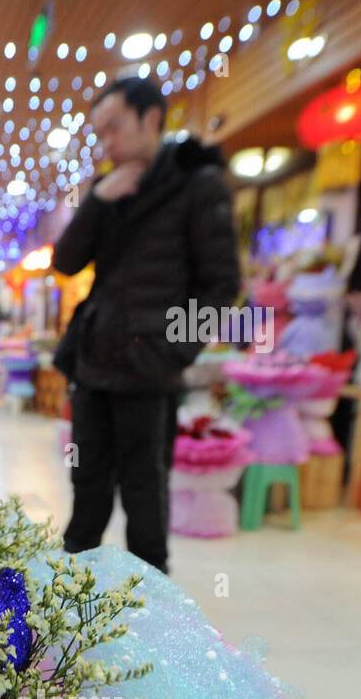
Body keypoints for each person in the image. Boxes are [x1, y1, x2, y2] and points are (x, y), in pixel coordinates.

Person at [52, 77, 240, 574]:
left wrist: (171, 352)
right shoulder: (108, 190)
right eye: (101, 133)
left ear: (151, 118)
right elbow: (66, 262)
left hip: (149, 372)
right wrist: (97, 201)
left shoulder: (197, 187)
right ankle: (69, 606)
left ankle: (153, 616)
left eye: (114, 128)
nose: (107, 142)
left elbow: (221, 286)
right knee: (86, 485)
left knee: (145, 493)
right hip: (94, 363)